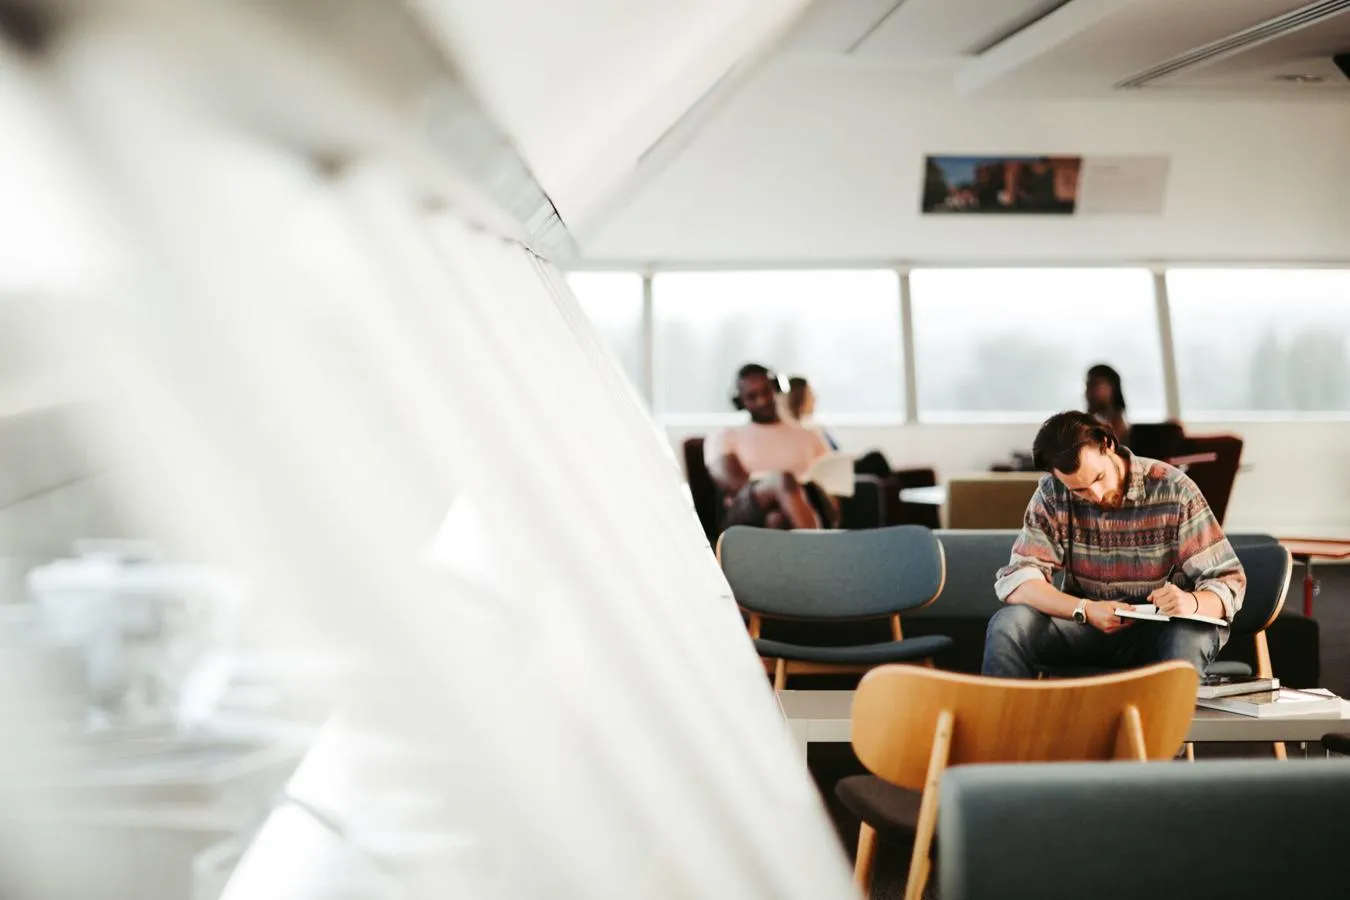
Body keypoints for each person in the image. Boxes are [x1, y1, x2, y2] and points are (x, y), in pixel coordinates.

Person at [981, 411, 1246, 678]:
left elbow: (1228, 582)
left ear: (1107, 445)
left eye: (1097, 478)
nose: (1095, 495)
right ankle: (1007, 720)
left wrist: (1191, 602)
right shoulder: (1052, 493)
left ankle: (1171, 720)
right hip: (1086, 626)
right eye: (1079, 490)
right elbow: (1019, 580)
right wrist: (1083, 609)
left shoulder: (1173, 489)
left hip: (1163, 630)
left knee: (1189, 635)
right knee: (1008, 624)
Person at [705, 364, 831, 531]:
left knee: (776, 520)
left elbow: (830, 479)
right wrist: (780, 485)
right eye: (752, 396)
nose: (762, 401)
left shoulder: (809, 435)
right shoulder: (726, 435)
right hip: (745, 508)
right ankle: (820, 547)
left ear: (778, 388)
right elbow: (733, 483)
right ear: (740, 401)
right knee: (782, 480)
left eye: (766, 392)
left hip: (802, 505)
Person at [784, 376, 839, 450]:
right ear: (798, 398)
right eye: (810, 393)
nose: (814, 399)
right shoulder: (809, 431)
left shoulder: (816, 427)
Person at [1085, 363, 1128, 441]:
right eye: (1087, 386)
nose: (1088, 392)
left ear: (1111, 388)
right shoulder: (1098, 420)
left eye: (1094, 385)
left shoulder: (1118, 425)